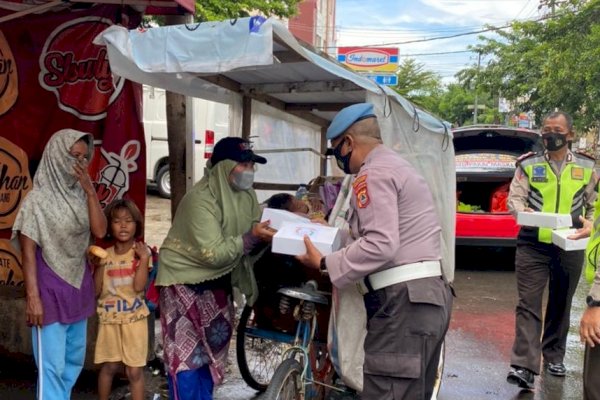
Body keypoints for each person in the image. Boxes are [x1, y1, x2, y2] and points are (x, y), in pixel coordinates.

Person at [296, 103, 453, 399]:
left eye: (335, 150)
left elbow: (381, 243)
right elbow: (372, 233)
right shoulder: (398, 166)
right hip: (425, 299)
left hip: (402, 304)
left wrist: (325, 263)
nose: (337, 159)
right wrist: (328, 236)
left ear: (349, 143)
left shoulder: (372, 175)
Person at [156, 137, 274, 400]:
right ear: (224, 167)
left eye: (252, 165)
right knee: (187, 360)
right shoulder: (199, 200)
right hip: (182, 284)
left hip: (218, 284)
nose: (250, 171)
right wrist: (250, 237)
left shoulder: (246, 196)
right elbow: (213, 254)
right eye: (243, 165)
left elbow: (253, 230)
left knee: (210, 356)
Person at [11, 128, 107, 399]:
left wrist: (90, 193)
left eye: (84, 157)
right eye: (73, 155)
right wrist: (33, 298)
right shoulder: (36, 200)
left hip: (78, 287)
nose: (78, 163)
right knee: (51, 368)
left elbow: (100, 231)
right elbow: (27, 253)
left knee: (73, 363)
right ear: (55, 156)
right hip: (49, 291)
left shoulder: (80, 193)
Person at [505, 110, 597, 389]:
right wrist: (525, 212)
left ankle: (554, 356)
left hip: (570, 244)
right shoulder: (528, 164)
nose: (551, 135)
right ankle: (524, 365)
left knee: (561, 302)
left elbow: (594, 204)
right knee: (528, 303)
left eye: (557, 130)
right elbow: (515, 201)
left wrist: (592, 223)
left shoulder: (588, 166)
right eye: (546, 130)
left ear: (570, 134)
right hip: (533, 244)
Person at [92, 199, 150, 400]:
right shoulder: (105, 256)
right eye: (117, 221)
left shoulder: (140, 253)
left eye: (129, 220)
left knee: (134, 371)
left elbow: (139, 287)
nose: (123, 225)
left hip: (135, 320)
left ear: (137, 225)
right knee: (109, 367)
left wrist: (144, 260)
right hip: (109, 320)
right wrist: (99, 265)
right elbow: (96, 291)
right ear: (109, 225)